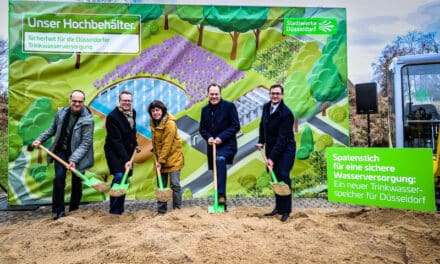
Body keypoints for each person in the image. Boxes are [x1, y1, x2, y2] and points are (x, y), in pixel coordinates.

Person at [32, 90, 94, 220]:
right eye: (74, 101)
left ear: (84, 102)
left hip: (78, 153)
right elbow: (53, 129)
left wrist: (73, 159)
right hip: (61, 151)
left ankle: (74, 209)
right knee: (59, 179)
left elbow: (86, 143)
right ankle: (58, 211)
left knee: (77, 181)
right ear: (70, 99)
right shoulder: (61, 113)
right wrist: (40, 139)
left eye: (80, 102)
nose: (77, 104)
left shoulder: (88, 119)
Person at [256, 84, 296, 222]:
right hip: (272, 147)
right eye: (272, 93)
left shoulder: (286, 114)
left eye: (277, 93)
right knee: (275, 177)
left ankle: (286, 210)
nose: (275, 96)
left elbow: (282, 139)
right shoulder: (266, 107)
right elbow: (263, 125)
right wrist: (261, 141)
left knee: (283, 176)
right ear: (269, 94)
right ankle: (278, 208)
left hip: (285, 149)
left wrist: (272, 158)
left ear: (282, 95)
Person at [199, 83, 240, 210]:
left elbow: (235, 126)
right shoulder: (205, 110)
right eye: (212, 94)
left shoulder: (229, 107)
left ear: (220, 94)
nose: (214, 96)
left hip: (227, 145)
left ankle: (221, 195)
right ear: (208, 95)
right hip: (213, 146)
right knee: (216, 169)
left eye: (216, 94)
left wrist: (221, 137)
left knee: (220, 160)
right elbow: (202, 129)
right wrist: (209, 138)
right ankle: (220, 201)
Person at [104, 91, 138, 215]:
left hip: (128, 151)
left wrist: (136, 144)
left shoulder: (132, 113)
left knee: (125, 178)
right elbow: (116, 141)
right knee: (119, 177)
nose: (127, 103)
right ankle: (114, 210)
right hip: (114, 152)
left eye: (129, 100)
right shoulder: (112, 117)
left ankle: (120, 209)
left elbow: (132, 131)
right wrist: (126, 160)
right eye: (124, 100)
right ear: (119, 101)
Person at [148, 100, 184, 213]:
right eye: (153, 111)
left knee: (175, 185)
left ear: (162, 110)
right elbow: (158, 139)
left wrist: (160, 161)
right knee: (161, 186)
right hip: (161, 157)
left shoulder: (170, 123)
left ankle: (177, 211)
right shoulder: (153, 122)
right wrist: (155, 148)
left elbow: (167, 144)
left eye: (157, 110)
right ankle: (161, 212)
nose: (155, 113)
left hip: (173, 158)